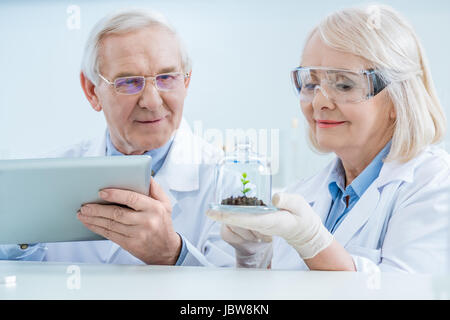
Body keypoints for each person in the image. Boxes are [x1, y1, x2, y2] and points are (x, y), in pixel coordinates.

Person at [207, 4, 450, 273]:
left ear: (397, 99)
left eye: (344, 84)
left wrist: (313, 243)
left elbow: (407, 291)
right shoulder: (304, 193)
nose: (319, 101)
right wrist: (252, 258)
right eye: (310, 83)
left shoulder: (435, 185)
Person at [0, 9, 234, 267]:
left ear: (186, 81)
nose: (152, 102)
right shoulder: (39, 183)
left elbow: (237, 301)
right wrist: (15, 241)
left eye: (166, 77)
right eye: (129, 82)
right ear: (92, 91)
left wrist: (171, 255)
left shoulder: (225, 183)